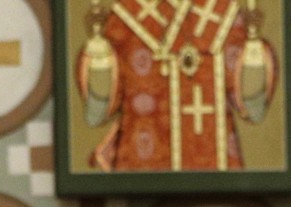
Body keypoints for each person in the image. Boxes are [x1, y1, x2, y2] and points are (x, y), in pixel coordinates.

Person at [75, 0, 276, 172]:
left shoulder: (222, 11)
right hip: (143, 170)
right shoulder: (127, 13)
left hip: (215, 171)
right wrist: (98, 50)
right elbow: (97, 113)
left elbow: (253, 109)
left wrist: (253, 47)